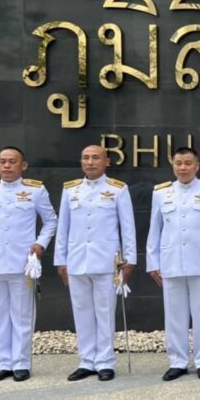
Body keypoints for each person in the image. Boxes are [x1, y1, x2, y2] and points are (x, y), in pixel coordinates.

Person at [0, 146, 57, 382]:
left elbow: (51, 221)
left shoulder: (35, 190)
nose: (7, 166)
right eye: (2, 161)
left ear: (23, 166)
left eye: (12, 161)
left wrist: (40, 244)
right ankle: (3, 363)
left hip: (22, 263)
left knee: (22, 314)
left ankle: (21, 363)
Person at [145, 147, 200, 381]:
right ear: (173, 165)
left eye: (187, 163)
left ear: (197, 166)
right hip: (171, 261)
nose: (182, 168)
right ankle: (178, 361)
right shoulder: (161, 193)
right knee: (174, 315)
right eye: (178, 163)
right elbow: (154, 230)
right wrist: (152, 262)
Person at [54, 144, 136, 382]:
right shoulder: (70, 190)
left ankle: (105, 362)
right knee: (82, 312)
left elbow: (127, 227)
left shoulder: (118, 189)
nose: (90, 162)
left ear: (106, 162)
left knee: (105, 312)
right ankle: (86, 361)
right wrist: (61, 260)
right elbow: (63, 228)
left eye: (95, 158)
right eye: (86, 158)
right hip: (77, 259)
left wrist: (129, 260)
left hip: (107, 261)